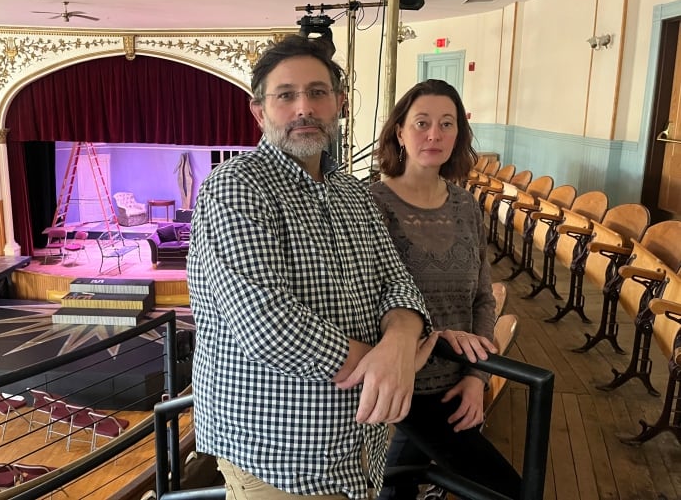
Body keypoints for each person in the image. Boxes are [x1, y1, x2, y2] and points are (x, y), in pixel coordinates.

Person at [188, 34, 441, 500]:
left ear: (339, 105)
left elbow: (397, 281)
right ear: (260, 113)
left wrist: (402, 341)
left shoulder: (352, 192)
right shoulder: (236, 188)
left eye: (318, 93)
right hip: (278, 455)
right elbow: (269, 327)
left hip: (359, 446)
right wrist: (384, 365)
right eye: (285, 95)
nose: (304, 107)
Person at [371, 79, 522, 499]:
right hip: (401, 387)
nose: (434, 134)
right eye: (421, 123)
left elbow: (482, 297)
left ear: (458, 135)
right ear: (400, 131)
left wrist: (477, 377)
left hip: (456, 388)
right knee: (507, 490)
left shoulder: (465, 206)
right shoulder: (371, 204)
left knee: (401, 487)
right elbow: (362, 303)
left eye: (446, 124)